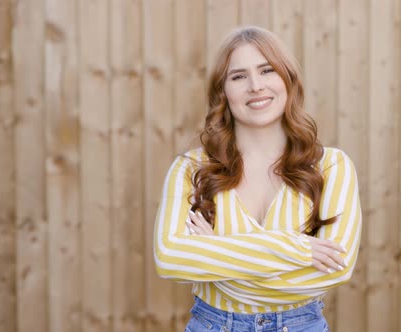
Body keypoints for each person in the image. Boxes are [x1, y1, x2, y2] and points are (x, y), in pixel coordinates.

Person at [153, 26, 362, 332]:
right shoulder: (190, 168)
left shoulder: (331, 166)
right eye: (238, 76)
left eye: (267, 70)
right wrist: (292, 248)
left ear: (287, 79)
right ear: (222, 91)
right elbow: (170, 258)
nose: (256, 85)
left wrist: (217, 253)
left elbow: (334, 271)